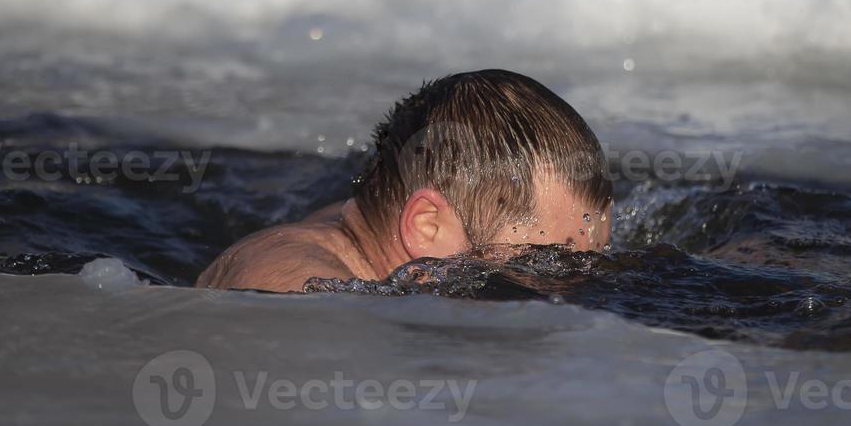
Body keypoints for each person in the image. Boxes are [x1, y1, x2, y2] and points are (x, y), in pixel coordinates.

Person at [197, 69, 613, 292]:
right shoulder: (288, 289)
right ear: (427, 225)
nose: (567, 289)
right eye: (540, 264)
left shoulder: (370, 253)